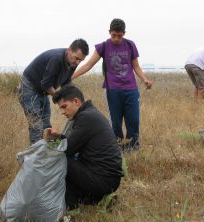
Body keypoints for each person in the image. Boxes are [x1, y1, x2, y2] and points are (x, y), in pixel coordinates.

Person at [71, 18, 152, 151]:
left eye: (119, 36)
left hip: (131, 89)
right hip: (112, 90)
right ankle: (117, 148)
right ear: (109, 32)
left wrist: (145, 79)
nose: (116, 39)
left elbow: (136, 66)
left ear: (124, 34)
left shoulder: (130, 45)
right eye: (113, 35)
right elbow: (88, 64)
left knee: (133, 120)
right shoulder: (103, 46)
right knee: (115, 122)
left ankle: (133, 148)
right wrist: (71, 77)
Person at [43, 85, 123, 210]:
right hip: (107, 178)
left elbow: (67, 150)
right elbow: (74, 144)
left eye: (64, 106)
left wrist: (49, 146)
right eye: (61, 109)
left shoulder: (86, 117)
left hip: (103, 179)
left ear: (76, 102)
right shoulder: (90, 114)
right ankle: (94, 199)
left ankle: (68, 205)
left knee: (59, 159)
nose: (63, 112)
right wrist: (59, 136)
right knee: (67, 161)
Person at [19, 39, 89, 144]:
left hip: (42, 90)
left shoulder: (73, 62)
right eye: (77, 58)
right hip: (29, 86)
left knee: (46, 124)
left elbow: (66, 82)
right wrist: (61, 99)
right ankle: (36, 156)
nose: (77, 62)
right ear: (69, 50)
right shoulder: (56, 58)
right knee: (36, 125)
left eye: (81, 60)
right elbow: (46, 84)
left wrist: (74, 98)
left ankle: (48, 151)